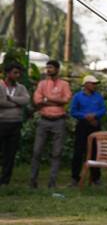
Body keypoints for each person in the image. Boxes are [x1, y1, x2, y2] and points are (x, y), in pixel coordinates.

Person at [31, 60, 72, 189]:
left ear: (57, 70)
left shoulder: (64, 84)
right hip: (44, 120)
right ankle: (33, 181)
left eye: (51, 68)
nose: (48, 70)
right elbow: (37, 101)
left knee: (56, 153)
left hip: (59, 121)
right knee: (37, 151)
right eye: (47, 67)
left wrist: (47, 99)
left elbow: (66, 100)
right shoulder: (42, 84)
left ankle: (52, 183)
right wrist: (56, 102)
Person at [70, 75, 106, 186]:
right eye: (92, 83)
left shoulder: (98, 97)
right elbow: (73, 111)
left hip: (95, 125)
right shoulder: (77, 97)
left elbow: (103, 109)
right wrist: (85, 116)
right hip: (82, 125)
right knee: (78, 151)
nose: (95, 86)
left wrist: (95, 115)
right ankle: (75, 178)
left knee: (95, 151)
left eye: (95, 84)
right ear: (86, 84)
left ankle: (95, 178)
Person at [0, 62, 30, 186]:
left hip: (15, 123)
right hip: (1, 123)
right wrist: (17, 104)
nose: (18, 75)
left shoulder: (21, 87)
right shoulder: (0, 86)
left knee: (10, 154)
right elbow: (1, 102)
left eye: (19, 73)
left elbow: (26, 99)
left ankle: (5, 181)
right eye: (15, 73)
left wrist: (11, 99)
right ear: (7, 73)